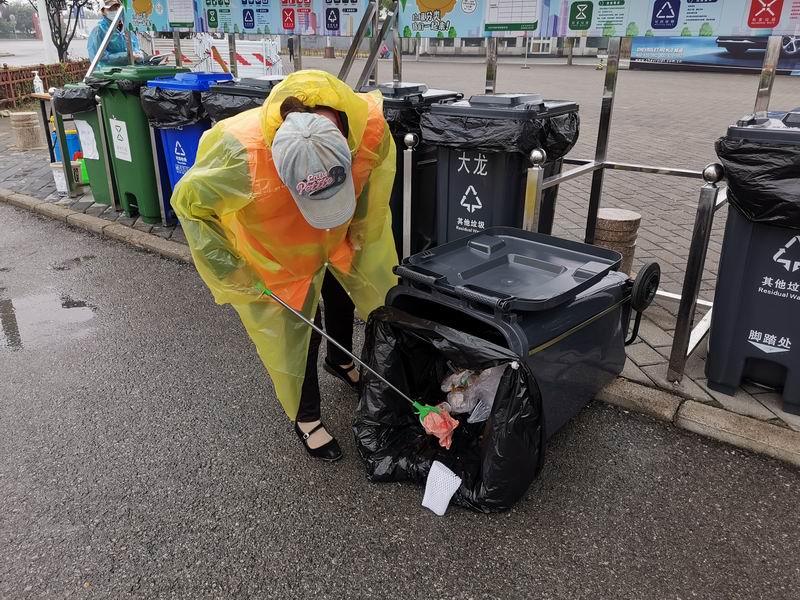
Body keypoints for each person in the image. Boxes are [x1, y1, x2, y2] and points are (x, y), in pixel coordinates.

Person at [172, 70, 397, 463]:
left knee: (343, 295)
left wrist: (359, 228)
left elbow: (373, 180)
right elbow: (191, 204)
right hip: (279, 250)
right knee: (300, 331)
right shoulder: (239, 151)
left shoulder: (369, 123)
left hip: (337, 236)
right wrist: (232, 271)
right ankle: (306, 415)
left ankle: (340, 360)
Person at [87, 0, 144, 67]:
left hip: (129, 70)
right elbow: (99, 57)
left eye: (117, 7)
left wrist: (139, 56)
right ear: (103, 11)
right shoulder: (98, 31)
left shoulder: (127, 29)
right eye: (110, 9)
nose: (115, 10)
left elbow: (136, 48)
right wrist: (126, 56)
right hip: (108, 72)